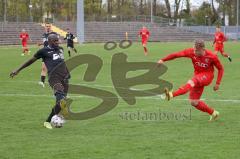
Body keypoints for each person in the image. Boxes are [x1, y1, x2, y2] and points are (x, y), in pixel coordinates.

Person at [10, 34, 70, 129]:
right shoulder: (43, 51)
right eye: (55, 41)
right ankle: (53, 119)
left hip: (64, 77)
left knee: (62, 102)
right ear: (49, 41)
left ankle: (49, 120)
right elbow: (30, 60)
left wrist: (67, 73)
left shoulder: (61, 49)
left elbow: (61, 62)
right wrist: (18, 69)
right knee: (61, 98)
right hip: (54, 78)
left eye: (57, 40)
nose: (57, 42)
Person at [157, 39, 224, 121]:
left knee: (192, 81)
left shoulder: (212, 56)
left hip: (207, 76)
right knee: (194, 102)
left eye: (197, 50)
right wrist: (163, 60)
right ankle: (213, 113)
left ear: (203, 49)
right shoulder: (191, 52)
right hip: (197, 76)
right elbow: (176, 55)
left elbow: (220, 69)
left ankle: (171, 95)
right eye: (194, 49)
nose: (194, 52)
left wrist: (217, 83)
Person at [38, 23, 59, 88]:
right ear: (45, 27)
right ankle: (42, 82)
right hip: (45, 53)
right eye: (47, 26)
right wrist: (41, 44)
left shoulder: (54, 34)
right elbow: (45, 43)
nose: (48, 27)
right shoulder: (44, 35)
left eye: (49, 26)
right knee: (44, 68)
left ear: (51, 27)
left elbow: (58, 42)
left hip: (52, 53)